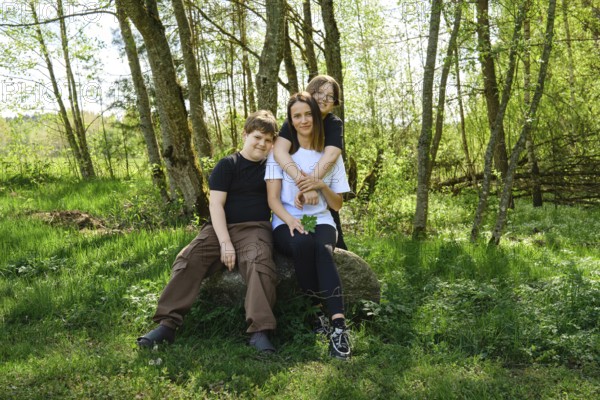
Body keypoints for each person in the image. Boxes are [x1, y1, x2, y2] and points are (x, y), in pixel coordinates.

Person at [137, 110, 279, 353]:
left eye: (268, 140)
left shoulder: (272, 168)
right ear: (244, 135)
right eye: (257, 137)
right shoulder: (228, 165)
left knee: (259, 261)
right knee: (189, 258)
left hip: (254, 228)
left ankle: (259, 330)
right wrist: (225, 243)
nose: (262, 144)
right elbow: (216, 205)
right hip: (219, 227)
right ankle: (168, 324)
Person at [265, 92, 352, 360]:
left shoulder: (329, 157)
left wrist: (321, 185)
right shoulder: (280, 156)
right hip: (286, 218)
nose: (303, 120)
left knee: (323, 250)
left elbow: (336, 206)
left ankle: (338, 326)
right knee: (302, 244)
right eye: (296, 116)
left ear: (316, 116)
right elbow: (272, 199)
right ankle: (315, 313)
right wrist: (290, 219)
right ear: (290, 121)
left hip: (319, 219)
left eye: (307, 115)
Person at [273, 75, 348, 250]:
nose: (324, 98)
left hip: (323, 196)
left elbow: (332, 155)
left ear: (335, 102)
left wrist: (311, 185)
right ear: (309, 94)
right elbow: (279, 151)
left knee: (334, 245)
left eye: (330, 96)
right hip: (293, 200)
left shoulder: (333, 124)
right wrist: (304, 183)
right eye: (319, 92)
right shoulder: (295, 121)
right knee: (303, 242)